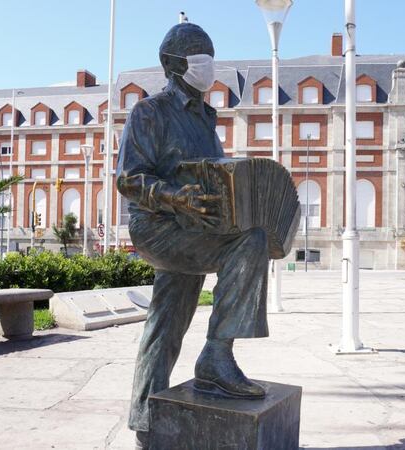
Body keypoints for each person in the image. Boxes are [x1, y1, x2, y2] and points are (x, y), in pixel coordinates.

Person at [116, 23, 270, 449]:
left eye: (211, 56)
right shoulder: (149, 112)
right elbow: (127, 178)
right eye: (198, 57)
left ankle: (145, 422)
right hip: (158, 227)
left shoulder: (206, 118)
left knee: (165, 325)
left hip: (196, 228)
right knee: (250, 243)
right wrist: (174, 199)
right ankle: (217, 356)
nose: (208, 65)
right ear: (172, 64)